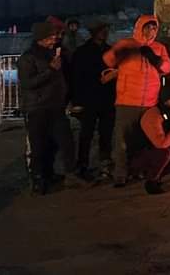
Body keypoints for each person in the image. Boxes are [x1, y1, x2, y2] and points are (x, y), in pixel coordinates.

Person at [103, 15, 170, 187]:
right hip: (127, 100)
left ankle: (139, 170)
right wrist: (122, 51)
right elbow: (109, 59)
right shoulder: (127, 44)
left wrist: (155, 59)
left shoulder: (159, 47)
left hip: (149, 103)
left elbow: (167, 67)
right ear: (140, 28)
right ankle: (120, 174)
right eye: (148, 28)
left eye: (154, 28)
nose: (151, 31)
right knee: (122, 140)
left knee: (143, 140)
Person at [19, 22, 83, 194]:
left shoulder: (55, 53)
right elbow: (27, 83)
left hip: (56, 106)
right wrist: (50, 70)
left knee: (65, 141)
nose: (56, 38)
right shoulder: (29, 57)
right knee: (39, 145)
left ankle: (69, 173)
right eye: (52, 35)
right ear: (42, 37)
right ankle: (39, 179)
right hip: (37, 108)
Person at [127, 85, 170, 195]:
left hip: (159, 151)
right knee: (164, 153)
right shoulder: (153, 115)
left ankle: (158, 174)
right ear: (165, 100)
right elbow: (161, 144)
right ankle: (151, 181)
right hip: (141, 153)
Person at [71, 21, 117, 176]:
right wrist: (77, 101)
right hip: (89, 98)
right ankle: (82, 163)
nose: (104, 33)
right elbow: (76, 78)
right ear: (93, 32)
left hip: (107, 98)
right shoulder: (82, 52)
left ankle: (105, 161)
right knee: (87, 133)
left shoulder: (110, 51)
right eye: (101, 30)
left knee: (106, 132)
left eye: (106, 30)